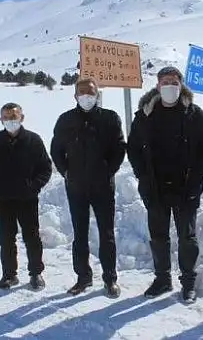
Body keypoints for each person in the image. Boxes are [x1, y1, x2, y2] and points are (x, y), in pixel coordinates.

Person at [127, 66, 203, 303]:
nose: (169, 86)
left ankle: (188, 283)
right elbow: (133, 148)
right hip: (155, 187)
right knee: (158, 235)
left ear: (181, 85)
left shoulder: (194, 114)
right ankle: (162, 278)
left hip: (186, 186)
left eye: (174, 82)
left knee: (187, 237)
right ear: (157, 86)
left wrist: (196, 176)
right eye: (165, 82)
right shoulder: (144, 115)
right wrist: (142, 176)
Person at [50, 77, 126, 298]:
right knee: (79, 233)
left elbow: (119, 148)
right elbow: (56, 150)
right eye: (81, 93)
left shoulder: (110, 118)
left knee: (107, 233)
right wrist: (66, 172)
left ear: (97, 94)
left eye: (90, 92)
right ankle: (83, 277)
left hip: (103, 186)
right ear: (75, 96)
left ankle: (110, 279)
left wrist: (108, 171)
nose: (86, 96)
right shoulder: (65, 120)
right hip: (76, 187)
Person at [0, 103, 52, 290]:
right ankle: (9, 274)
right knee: (6, 237)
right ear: (1, 120)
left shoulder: (33, 140)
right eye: (6, 117)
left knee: (32, 237)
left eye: (14, 117)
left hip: (27, 199)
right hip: (3, 199)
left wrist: (33, 186)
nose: (10, 121)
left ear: (21, 118)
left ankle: (36, 273)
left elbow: (45, 168)